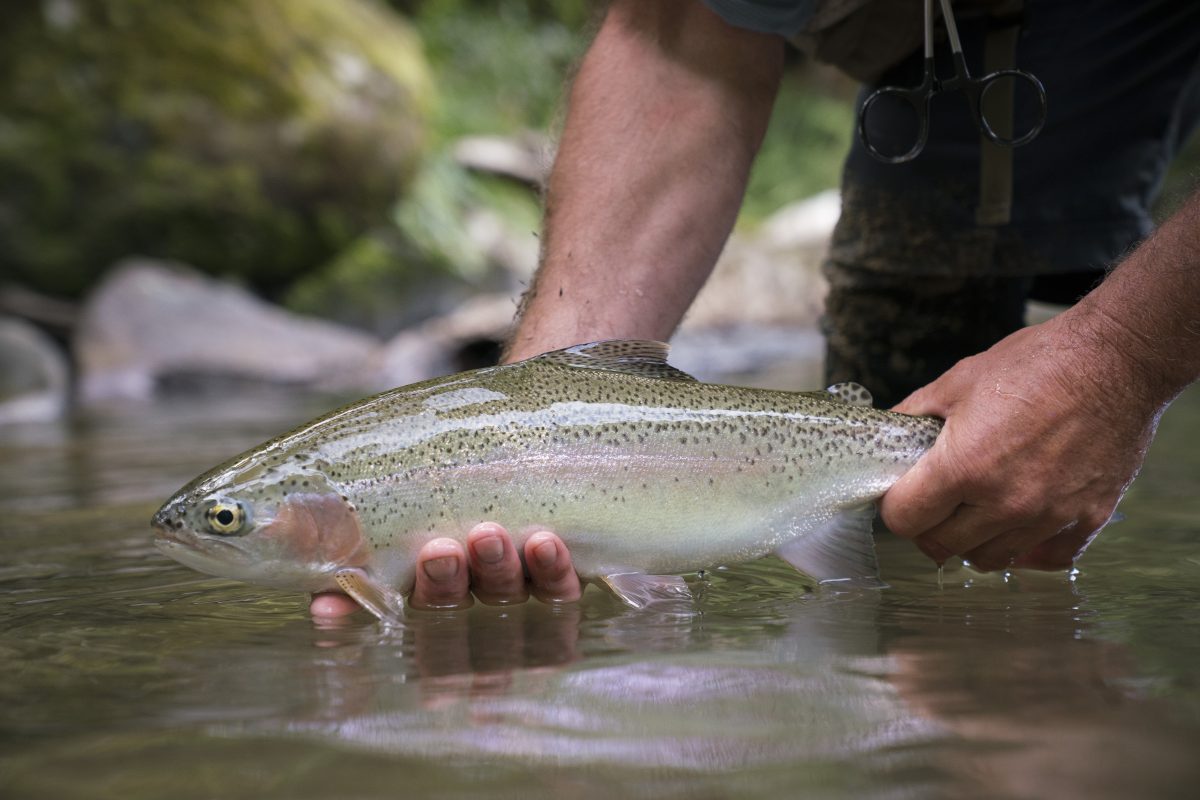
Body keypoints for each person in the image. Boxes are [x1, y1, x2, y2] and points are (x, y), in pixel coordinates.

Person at [313, 0, 1200, 618]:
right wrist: (545, 420)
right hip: (947, 48)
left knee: (1053, 464)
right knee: (935, 530)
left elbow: (1109, 367)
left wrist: (1116, 362)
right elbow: (680, 33)